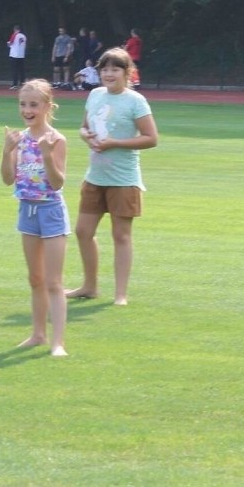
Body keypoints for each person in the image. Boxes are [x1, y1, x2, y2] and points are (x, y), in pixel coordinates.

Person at [65, 48, 158, 306]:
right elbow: (85, 127)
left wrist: (114, 143)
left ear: (127, 73)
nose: (108, 74)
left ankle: (120, 294)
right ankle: (89, 286)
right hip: (95, 176)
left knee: (121, 236)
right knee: (83, 231)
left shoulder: (135, 101)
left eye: (115, 69)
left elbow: (151, 138)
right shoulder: (94, 95)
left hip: (123, 179)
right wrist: (86, 136)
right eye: (104, 69)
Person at [1, 79, 70, 356]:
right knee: (35, 279)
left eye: (33, 104)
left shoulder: (56, 140)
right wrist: (6, 151)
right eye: (22, 104)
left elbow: (57, 183)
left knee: (54, 281)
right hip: (27, 210)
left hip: (50, 212)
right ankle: (38, 334)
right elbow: (8, 180)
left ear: (47, 107)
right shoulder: (18, 139)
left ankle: (58, 342)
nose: (27, 110)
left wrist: (47, 154)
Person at [7, 25, 27, 90]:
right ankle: (22, 83)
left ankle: (15, 84)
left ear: (15, 29)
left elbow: (10, 43)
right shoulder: (24, 36)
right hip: (22, 55)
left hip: (15, 55)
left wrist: (8, 44)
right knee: (22, 70)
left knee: (15, 70)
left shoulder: (14, 35)